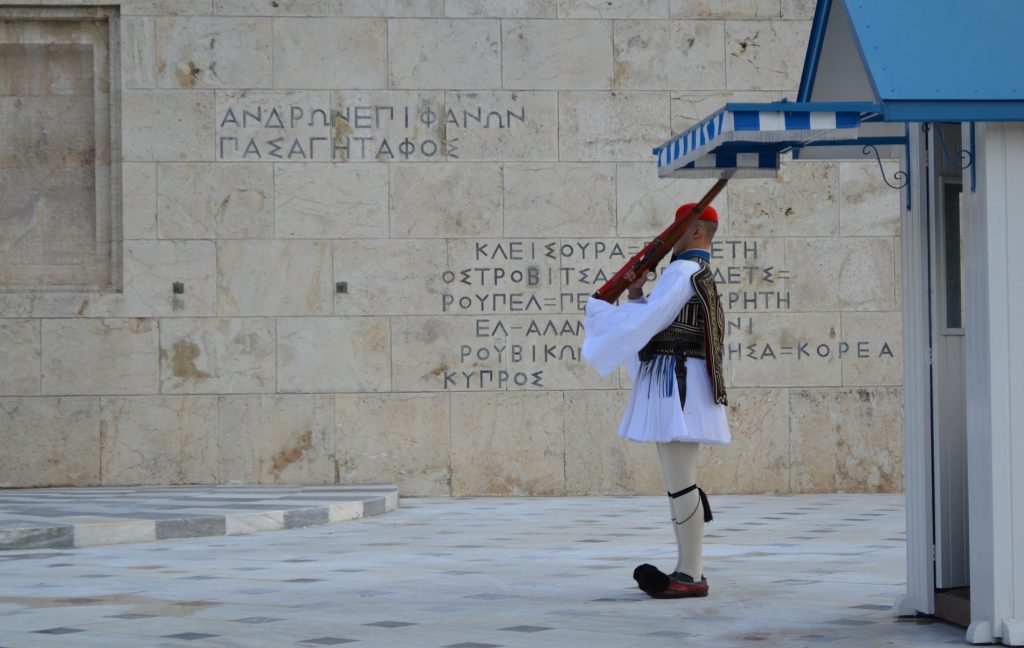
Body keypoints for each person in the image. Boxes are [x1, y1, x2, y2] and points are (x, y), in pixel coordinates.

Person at [582, 202, 730, 599]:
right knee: (679, 480)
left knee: (681, 481)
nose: (670, 237)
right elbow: (655, 318)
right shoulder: (692, 271)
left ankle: (690, 573)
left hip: (677, 382)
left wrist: (599, 313)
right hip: (678, 378)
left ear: (696, 232)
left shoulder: (683, 271)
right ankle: (688, 569)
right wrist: (634, 294)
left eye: (678, 228)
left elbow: (646, 324)